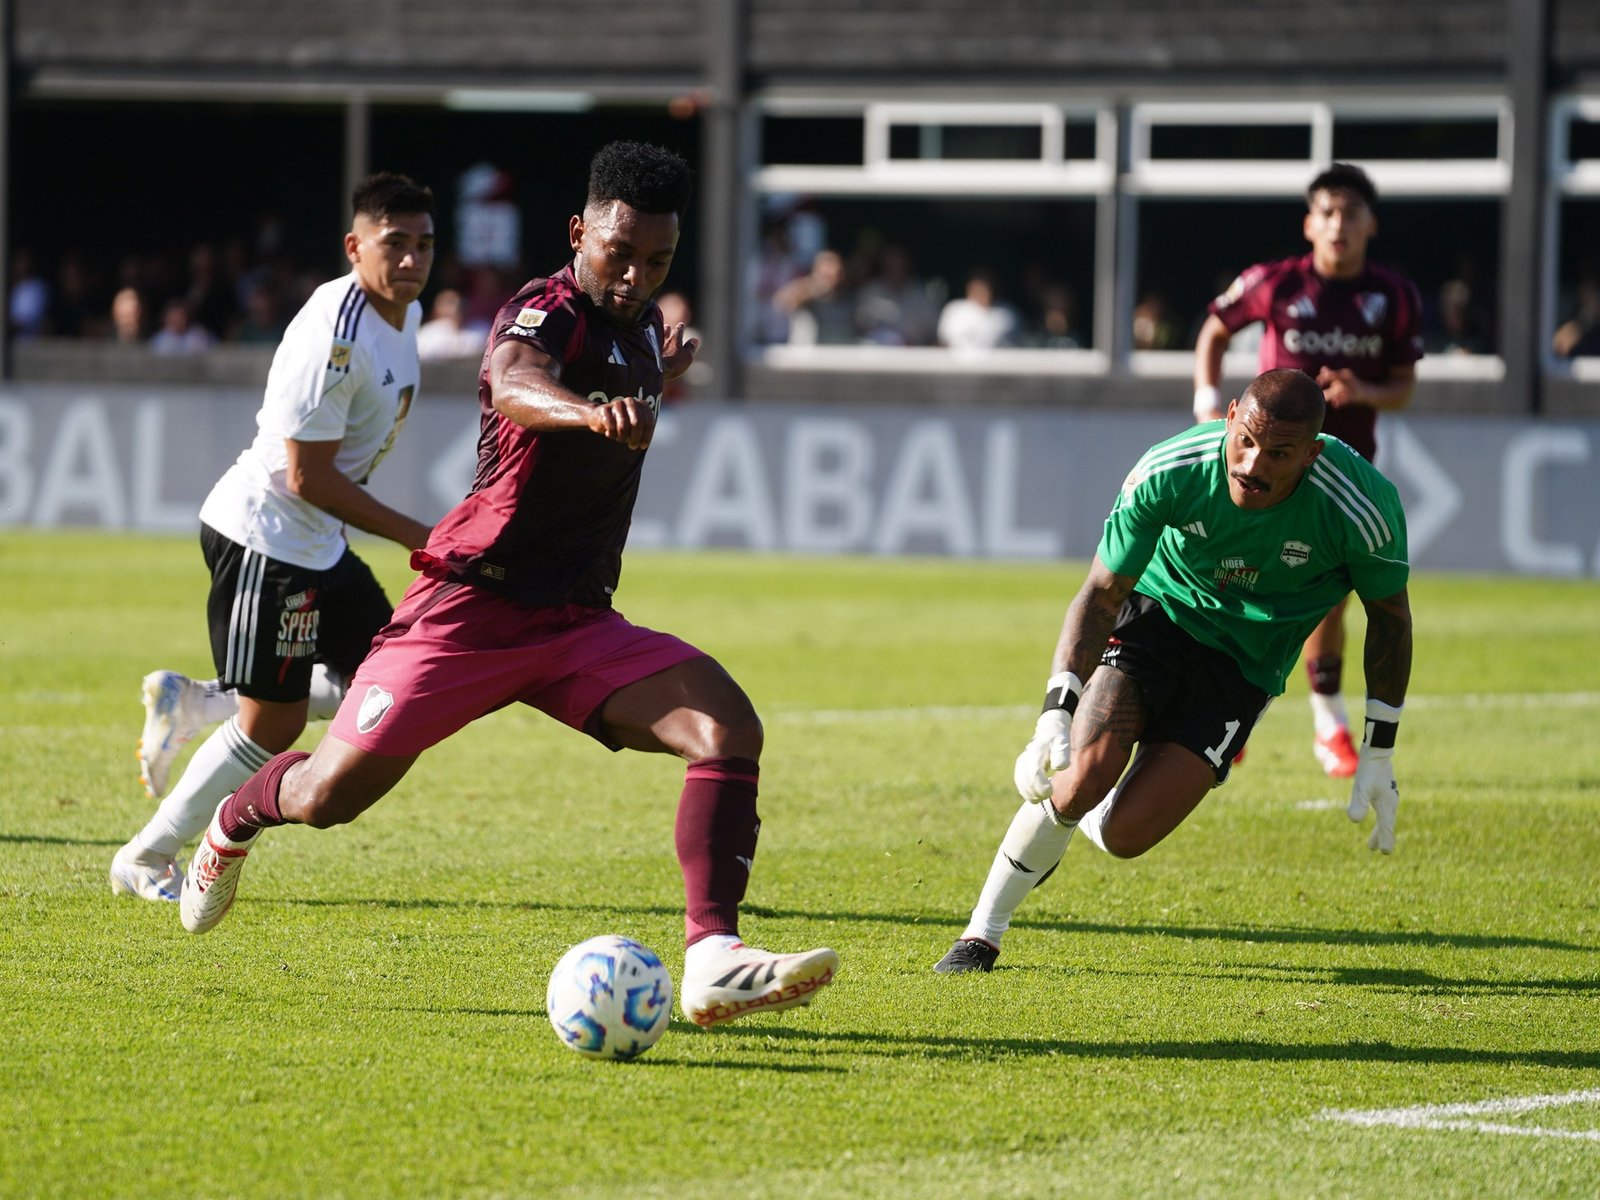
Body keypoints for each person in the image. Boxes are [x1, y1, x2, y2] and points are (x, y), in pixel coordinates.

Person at [175, 141, 840, 1030]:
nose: (636, 275)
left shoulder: (641, 323)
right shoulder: (543, 308)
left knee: (726, 726)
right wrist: (588, 412)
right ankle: (234, 821)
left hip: (572, 622)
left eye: (658, 260)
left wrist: (662, 368)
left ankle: (713, 956)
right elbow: (514, 382)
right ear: (578, 234)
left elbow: (630, 353)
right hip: (468, 611)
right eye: (619, 252)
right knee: (329, 798)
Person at [933, 368, 1412, 975]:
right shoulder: (1172, 468)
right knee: (1081, 776)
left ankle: (1072, 818)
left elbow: (1390, 622)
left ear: (1312, 454)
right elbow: (1102, 591)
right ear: (1232, 414)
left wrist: (1378, 753)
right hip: (1156, 621)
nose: (1252, 464)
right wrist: (1055, 713)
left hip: (1246, 667)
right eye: (1246, 440)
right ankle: (981, 934)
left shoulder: (1361, 508)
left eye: (1279, 453)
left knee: (1125, 836)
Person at [110, 172, 439, 903]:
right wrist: (419, 536)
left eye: (424, 244)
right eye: (395, 244)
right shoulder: (337, 336)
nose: (413, 260)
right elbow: (304, 476)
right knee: (276, 725)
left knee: (386, 679)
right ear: (355, 247)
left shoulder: (403, 314)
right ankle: (145, 855)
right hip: (268, 539)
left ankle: (201, 705)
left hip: (314, 541)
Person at [1192, 163, 1422, 778]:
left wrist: (1365, 389)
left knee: (1328, 597)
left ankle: (1327, 724)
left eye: (1349, 213)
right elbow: (1215, 328)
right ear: (1309, 224)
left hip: (1338, 474)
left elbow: (1403, 386)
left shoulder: (1394, 297)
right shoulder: (1275, 282)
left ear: (1371, 223)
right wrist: (1207, 404)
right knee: (1233, 579)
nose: (1338, 225)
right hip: (1260, 467)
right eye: (1326, 213)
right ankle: (1230, 715)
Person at [937, 267, 1019, 351]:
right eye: (978, 286)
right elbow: (944, 342)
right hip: (959, 363)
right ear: (968, 287)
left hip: (999, 363)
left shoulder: (1007, 313)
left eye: (986, 286)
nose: (982, 290)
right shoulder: (954, 309)